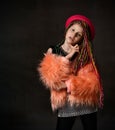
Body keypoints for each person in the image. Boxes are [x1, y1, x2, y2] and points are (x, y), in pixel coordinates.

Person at [38, 14, 104, 130]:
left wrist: (71, 84)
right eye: (72, 30)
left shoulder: (84, 55)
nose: (73, 35)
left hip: (85, 100)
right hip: (66, 103)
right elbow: (52, 80)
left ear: (81, 39)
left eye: (78, 34)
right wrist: (68, 57)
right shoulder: (53, 50)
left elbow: (93, 82)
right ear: (67, 29)